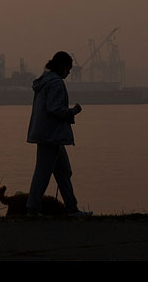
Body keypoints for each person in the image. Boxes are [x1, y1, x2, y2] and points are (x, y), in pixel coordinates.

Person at [26, 51, 92, 217]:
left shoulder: (44, 82)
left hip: (47, 134)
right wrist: (73, 111)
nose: (69, 73)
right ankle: (33, 209)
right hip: (51, 136)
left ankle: (71, 208)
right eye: (68, 69)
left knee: (63, 172)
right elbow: (54, 109)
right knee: (43, 173)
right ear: (62, 67)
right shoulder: (56, 83)